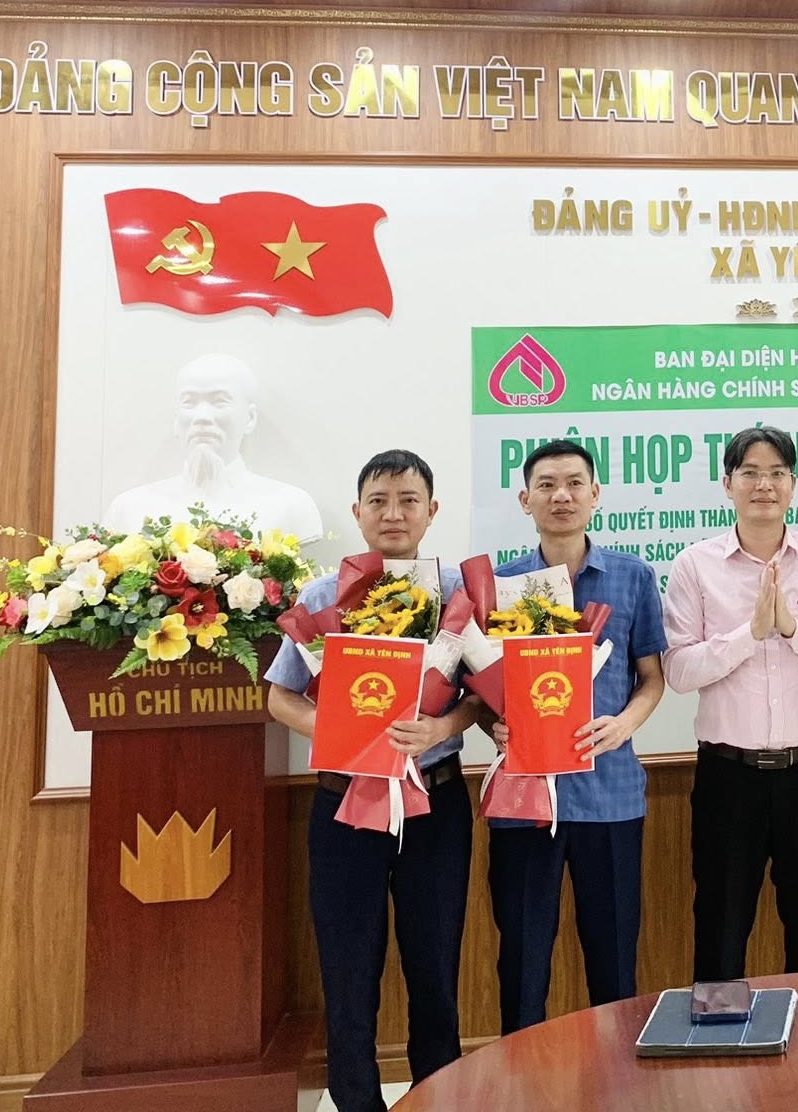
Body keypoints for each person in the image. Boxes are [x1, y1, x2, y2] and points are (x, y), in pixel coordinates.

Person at [265, 450, 478, 1112]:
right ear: (358, 513)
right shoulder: (322, 598)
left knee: (435, 964)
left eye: (408, 500)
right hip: (344, 805)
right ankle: (357, 1101)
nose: (393, 513)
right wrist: (337, 728)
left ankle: (436, 1096)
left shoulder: (458, 597)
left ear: (431, 512)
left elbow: (485, 696)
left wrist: (442, 728)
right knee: (348, 967)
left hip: (436, 804)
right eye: (379, 501)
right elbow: (279, 697)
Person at [663, 426, 798, 982]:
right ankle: (718, 1037)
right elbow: (677, 670)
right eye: (750, 473)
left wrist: (793, 629)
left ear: (793, 485)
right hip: (729, 778)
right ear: (726, 483)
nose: (764, 485)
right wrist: (750, 633)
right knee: (722, 927)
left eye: (777, 473)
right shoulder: (695, 565)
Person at [488, 439, 666, 1032]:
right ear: (525, 500)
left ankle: (615, 1077)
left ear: (595, 494)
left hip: (609, 797)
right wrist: (495, 723)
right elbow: (481, 689)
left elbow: (651, 679)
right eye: (546, 485)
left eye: (573, 484)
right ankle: (521, 1078)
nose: (560, 496)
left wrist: (625, 723)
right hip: (524, 802)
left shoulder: (633, 577)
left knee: (613, 964)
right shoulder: (500, 584)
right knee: (522, 963)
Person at [103, 352, 325, 540]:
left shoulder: (291, 505)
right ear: (176, 419)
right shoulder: (129, 508)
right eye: (189, 402)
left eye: (220, 402)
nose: (202, 416)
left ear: (249, 419)